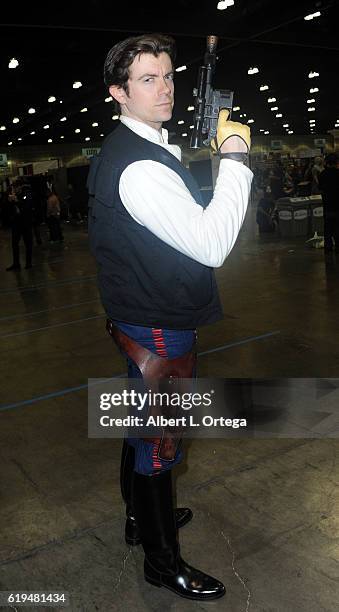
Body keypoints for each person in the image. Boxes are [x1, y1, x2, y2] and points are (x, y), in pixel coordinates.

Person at [88, 33, 252, 601]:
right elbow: (211, 244)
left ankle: (141, 520)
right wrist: (234, 157)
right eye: (148, 80)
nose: (165, 89)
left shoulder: (140, 148)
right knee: (161, 438)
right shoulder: (138, 168)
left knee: (144, 425)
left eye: (168, 75)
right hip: (157, 320)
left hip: (143, 312)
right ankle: (162, 562)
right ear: (119, 92)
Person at [6, 179, 34, 270]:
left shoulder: (27, 193)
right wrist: (9, 201)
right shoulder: (14, 194)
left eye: (15, 187)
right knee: (14, 244)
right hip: (16, 223)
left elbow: (27, 206)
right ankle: (16, 263)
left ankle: (28, 263)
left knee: (28, 243)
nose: (14, 189)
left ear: (20, 186)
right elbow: (9, 210)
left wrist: (17, 200)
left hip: (26, 223)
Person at [318, 152, 339, 252]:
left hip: (327, 204)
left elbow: (320, 188)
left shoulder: (322, 174)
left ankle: (328, 246)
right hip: (337, 204)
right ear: (336, 162)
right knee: (337, 226)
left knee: (327, 227)